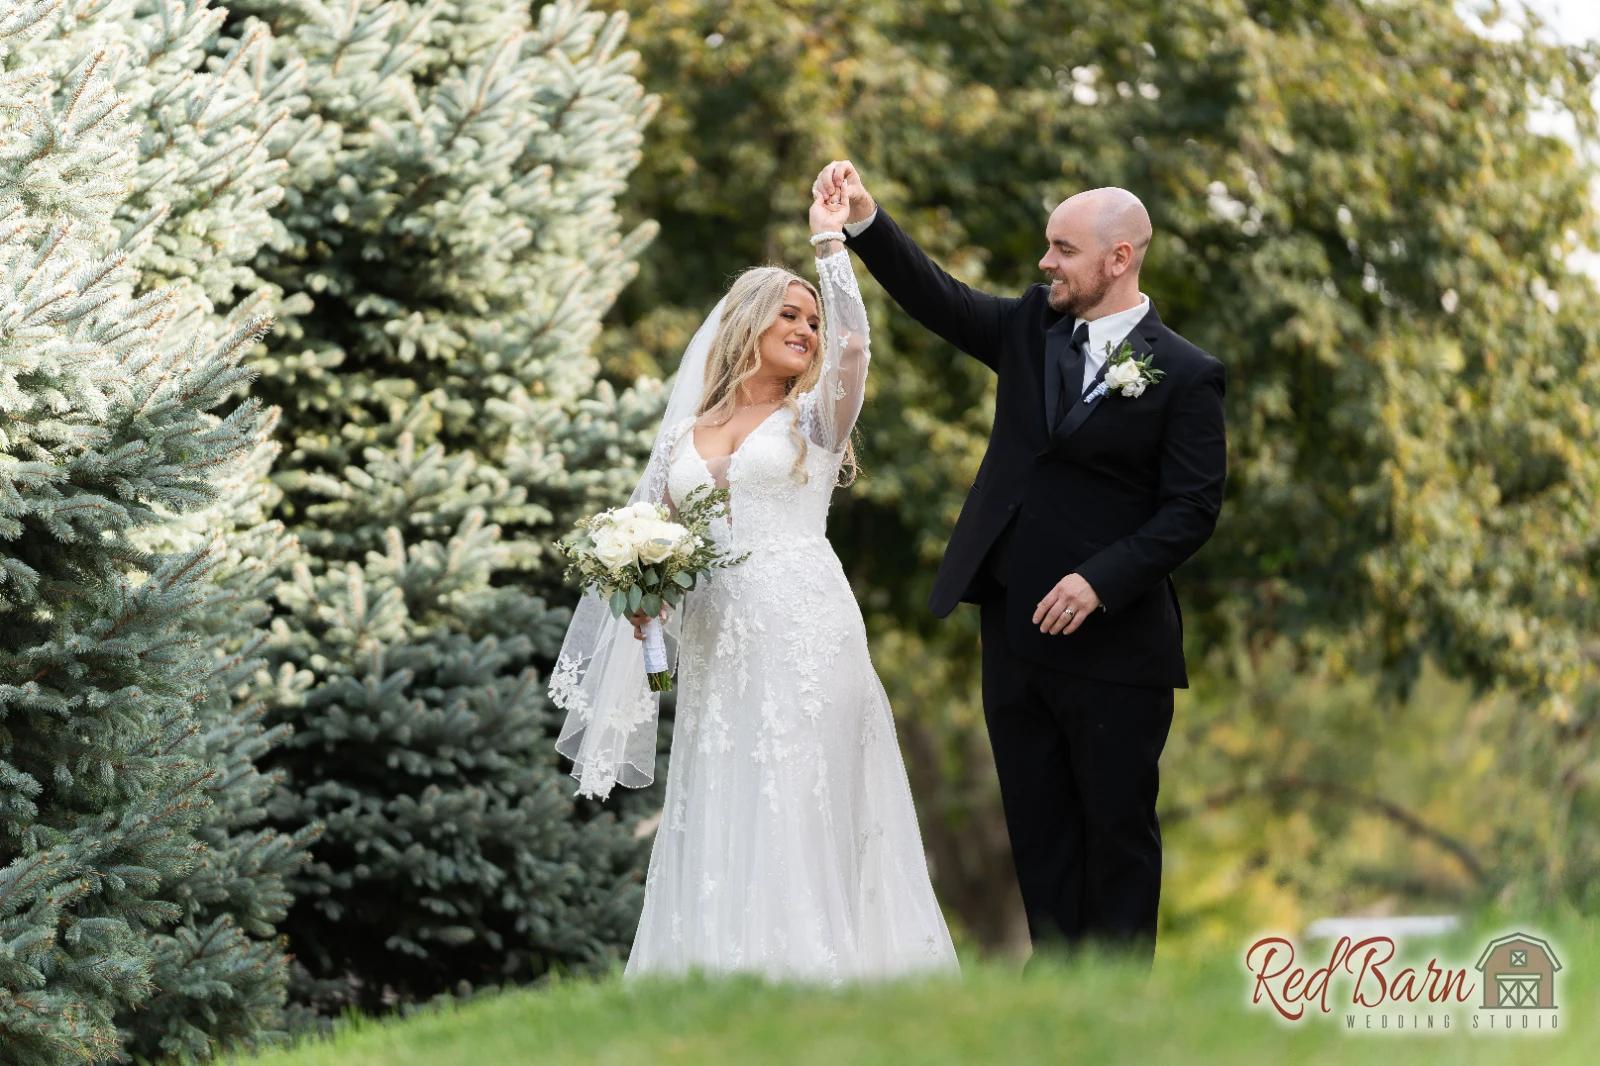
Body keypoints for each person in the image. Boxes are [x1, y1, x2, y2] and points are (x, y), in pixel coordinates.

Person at [813, 160, 1227, 969]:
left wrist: (1100, 580)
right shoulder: (1029, 331)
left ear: (1120, 259)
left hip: (1116, 650)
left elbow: (1192, 511)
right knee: (1038, 826)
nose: (1046, 264)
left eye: (1063, 250)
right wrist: (865, 220)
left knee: (1115, 829)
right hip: (1012, 629)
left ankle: (1117, 1010)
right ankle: (1056, 1003)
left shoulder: (1186, 374)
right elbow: (938, 297)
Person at [548, 184, 959, 985]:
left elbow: (853, 352)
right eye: (791, 317)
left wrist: (829, 251)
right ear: (746, 327)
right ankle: (722, 968)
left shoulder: (815, 424)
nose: (807, 330)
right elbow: (659, 544)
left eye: (812, 318)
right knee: (731, 780)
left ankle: (826, 970)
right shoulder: (680, 438)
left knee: (804, 780)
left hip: (807, 623)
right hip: (718, 638)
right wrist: (644, 597)